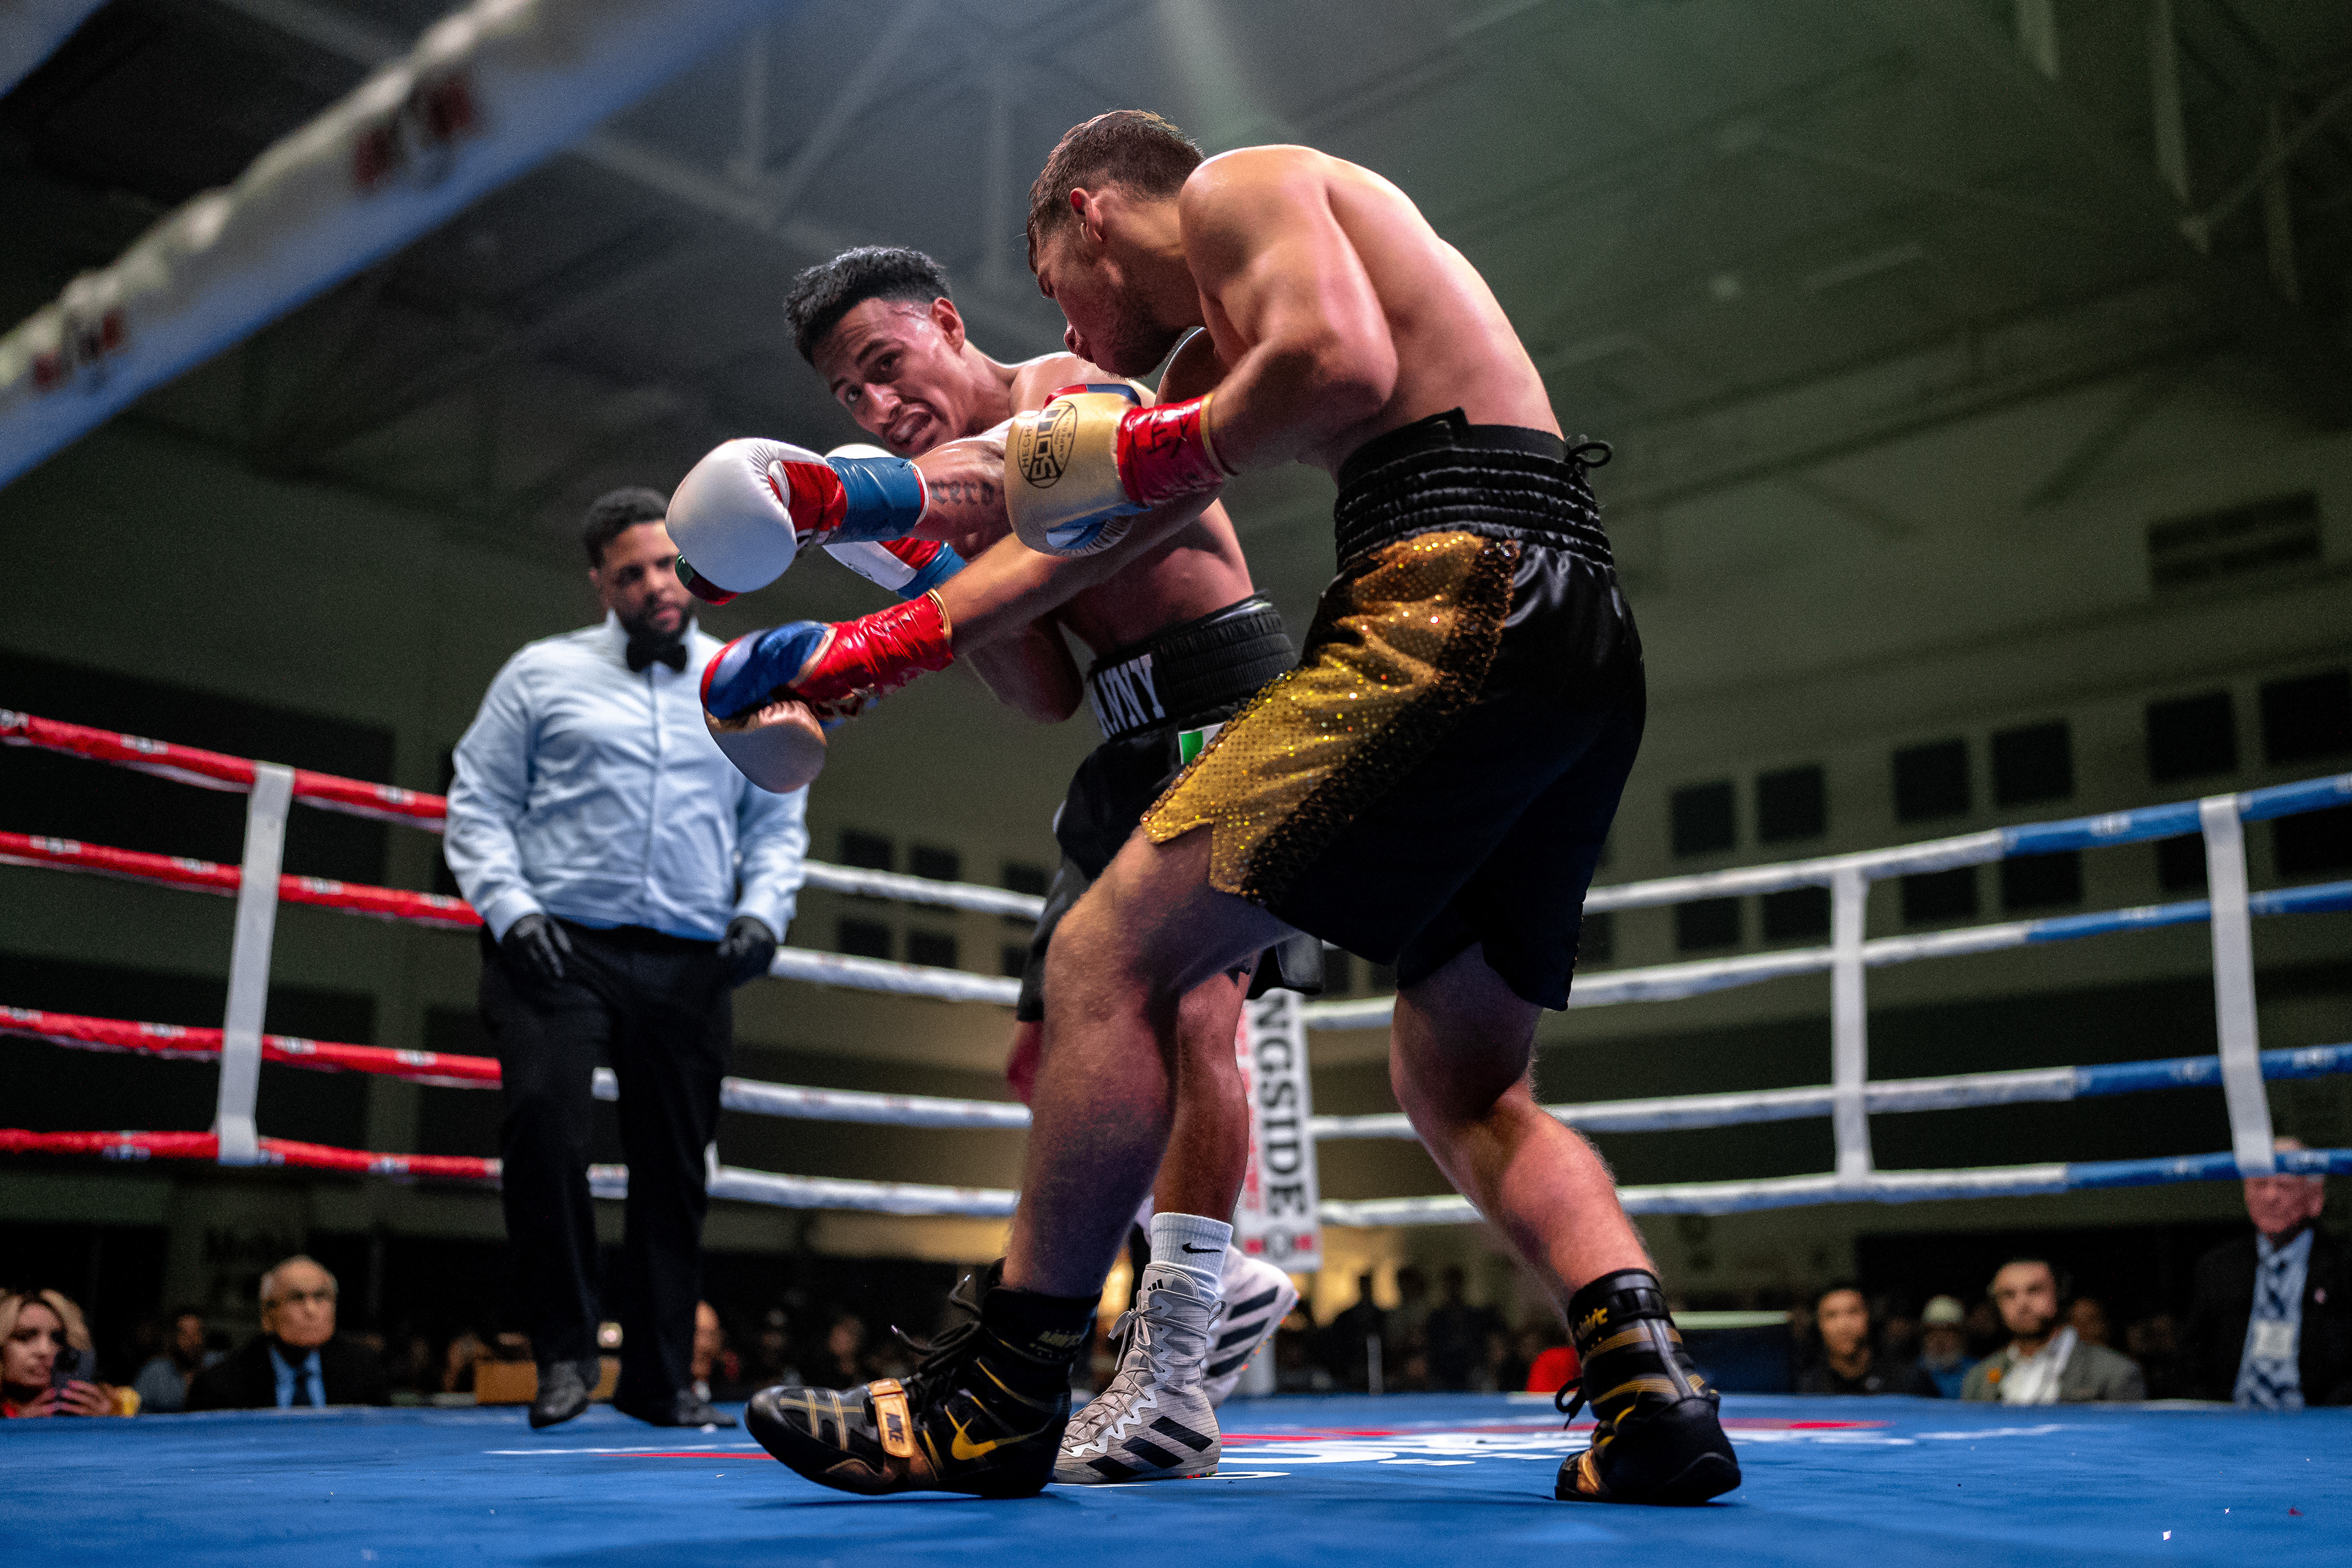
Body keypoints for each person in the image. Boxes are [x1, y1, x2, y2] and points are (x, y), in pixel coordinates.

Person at [717, 110, 1730, 1507]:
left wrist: (1140, 449)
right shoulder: (1199, 369)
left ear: (1087, 216)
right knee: (1462, 1084)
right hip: (1568, 635)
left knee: (1106, 958)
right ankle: (1650, 1391)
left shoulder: (1240, 188)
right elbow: (1061, 523)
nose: (1069, 327)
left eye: (1057, 284)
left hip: (1450, 590)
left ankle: (1003, 1396)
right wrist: (861, 593)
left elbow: (1335, 364)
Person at [756, 245, 1311, 1480]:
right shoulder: (961, 501)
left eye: (886, 362)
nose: (877, 403)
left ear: (949, 324)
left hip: (1227, 708)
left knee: (1195, 1020)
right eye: (849, 393)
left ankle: (1173, 1377)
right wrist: (927, 566)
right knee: (1044, 1053)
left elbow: (1065, 491)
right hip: (1123, 739)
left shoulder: (1063, 394)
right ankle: (1216, 1272)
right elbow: (1044, 689)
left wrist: (867, 517)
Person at [445, 488, 809, 1430]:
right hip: (557, 944)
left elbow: (776, 820)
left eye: (666, 564)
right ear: (601, 585)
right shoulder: (541, 673)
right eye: (632, 572)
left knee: (675, 1167)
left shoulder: (744, 678)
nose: (656, 585)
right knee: (543, 1128)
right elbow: (477, 802)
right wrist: (511, 910)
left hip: (691, 955)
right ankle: (564, 1356)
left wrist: (761, 916)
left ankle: (659, 1378)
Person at [2184, 1137, 2352, 1406]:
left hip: (2317, 1419)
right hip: (2230, 1418)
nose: (2271, 1197)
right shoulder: (2217, 1267)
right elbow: (2191, 1360)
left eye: (2284, 1186)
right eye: (2260, 1184)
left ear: (2315, 1198)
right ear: (2246, 1195)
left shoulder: (2343, 1264)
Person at [186, 1257, 388, 1411]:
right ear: (268, 1314)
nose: (311, 1310)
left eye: (321, 1297)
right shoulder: (220, 1385)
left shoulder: (363, 1371)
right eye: (297, 1298)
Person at [1961, 1259, 2144, 1404]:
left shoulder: (2114, 1373)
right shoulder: (1979, 1378)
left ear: (2059, 1294)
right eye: (2009, 1295)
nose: (2022, 1304)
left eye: (2034, 1291)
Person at [1, 1288, 137, 1417]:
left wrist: (107, 1424)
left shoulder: (114, 1407)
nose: (45, 1350)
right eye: (25, 1337)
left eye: (58, 1339)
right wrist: (16, 1427)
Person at [1795, 1284, 1937, 1396]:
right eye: (1832, 1315)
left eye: (1853, 1312)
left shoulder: (1905, 1380)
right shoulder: (1809, 1388)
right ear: (1819, 1324)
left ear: (1869, 1316)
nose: (1843, 1325)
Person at [130, 1306, 214, 1414]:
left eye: (196, 1333)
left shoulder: (216, 1366)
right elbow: (135, 1412)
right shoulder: (155, 1372)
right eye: (184, 1334)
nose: (191, 1341)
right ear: (173, 1338)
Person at [1916, 1295, 1976, 1400]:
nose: (1940, 1338)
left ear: (1961, 1336)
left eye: (1948, 1331)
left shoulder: (1976, 1372)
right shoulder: (1913, 1373)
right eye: (1932, 1331)